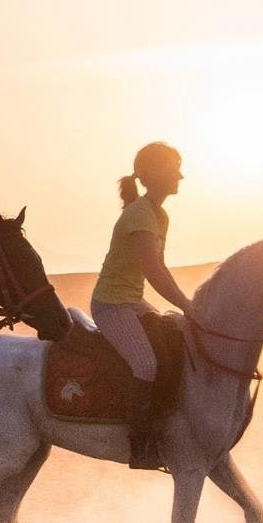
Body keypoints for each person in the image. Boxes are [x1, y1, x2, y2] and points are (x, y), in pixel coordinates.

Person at [91, 142, 201, 470]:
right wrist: (188, 305)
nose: (180, 175)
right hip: (112, 304)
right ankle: (139, 444)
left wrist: (184, 309)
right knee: (145, 366)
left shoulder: (159, 214)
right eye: (173, 168)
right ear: (152, 174)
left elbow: (156, 270)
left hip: (132, 301)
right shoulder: (140, 213)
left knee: (175, 336)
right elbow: (155, 271)